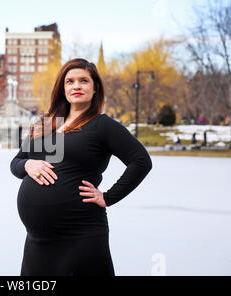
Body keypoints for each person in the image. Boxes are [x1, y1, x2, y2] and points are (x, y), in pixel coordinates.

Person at [10, 58, 152, 276]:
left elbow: (141, 161)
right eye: (70, 81)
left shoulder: (102, 125)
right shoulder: (46, 123)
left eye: (84, 81)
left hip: (80, 236)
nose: (76, 86)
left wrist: (108, 197)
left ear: (95, 88)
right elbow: (16, 163)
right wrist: (28, 163)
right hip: (38, 242)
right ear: (62, 88)